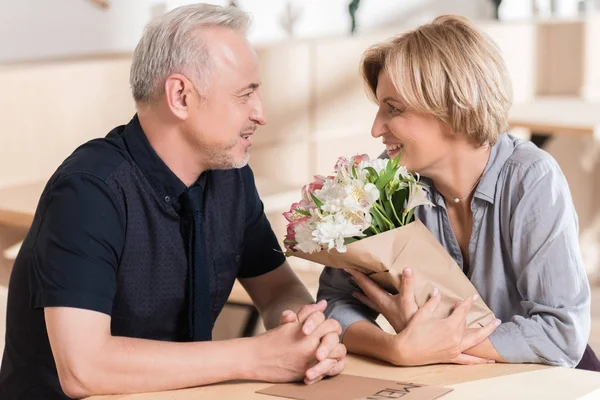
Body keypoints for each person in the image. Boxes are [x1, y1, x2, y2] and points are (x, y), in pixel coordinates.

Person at [0, 4, 347, 399]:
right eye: (245, 94)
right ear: (180, 95)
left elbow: (277, 290)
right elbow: (84, 369)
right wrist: (255, 356)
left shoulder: (231, 177)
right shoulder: (88, 191)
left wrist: (306, 333)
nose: (261, 113)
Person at [318, 15, 598, 370]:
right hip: (451, 379)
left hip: (553, 382)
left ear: (452, 107)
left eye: (393, 109)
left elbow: (561, 336)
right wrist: (397, 348)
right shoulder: (387, 183)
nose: (376, 129)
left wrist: (430, 337)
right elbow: (334, 302)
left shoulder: (531, 178)